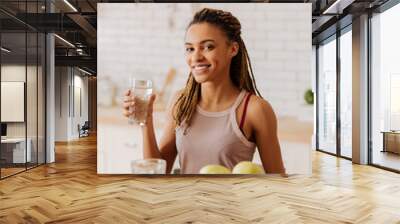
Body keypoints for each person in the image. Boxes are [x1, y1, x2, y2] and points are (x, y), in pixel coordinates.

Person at [123, 8, 285, 175]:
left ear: (233, 49)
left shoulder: (254, 109)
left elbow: (278, 180)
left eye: (208, 47)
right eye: (190, 49)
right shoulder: (180, 101)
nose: (196, 57)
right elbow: (158, 173)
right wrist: (145, 120)